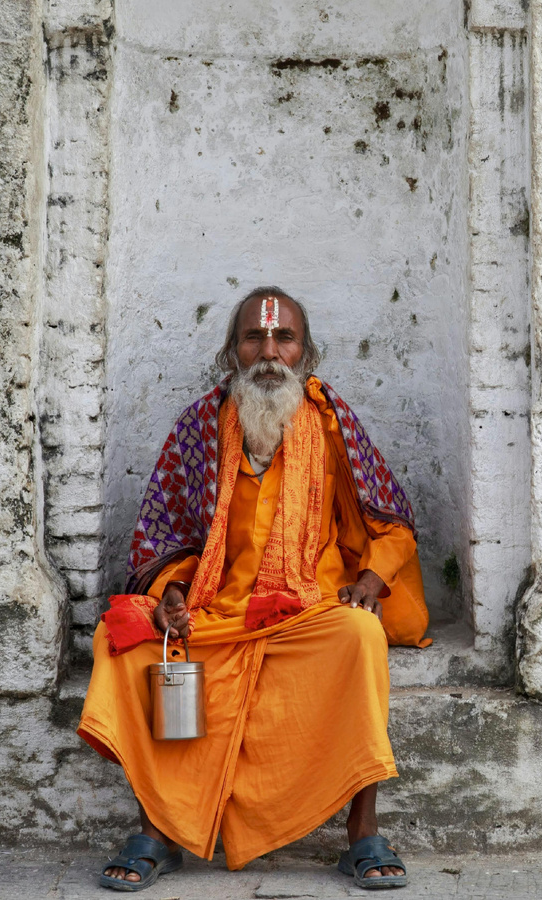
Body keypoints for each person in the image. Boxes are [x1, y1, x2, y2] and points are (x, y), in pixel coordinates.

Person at [77, 287, 431, 892]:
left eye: (283, 338)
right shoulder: (199, 428)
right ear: (232, 351)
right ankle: (155, 830)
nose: (269, 352)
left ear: (305, 351)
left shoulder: (332, 424)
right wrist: (171, 595)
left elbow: (388, 522)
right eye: (254, 338)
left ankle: (363, 831)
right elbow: (168, 534)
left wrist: (371, 579)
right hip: (215, 610)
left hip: (307, 610)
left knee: (360, 634)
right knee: (125, 638)